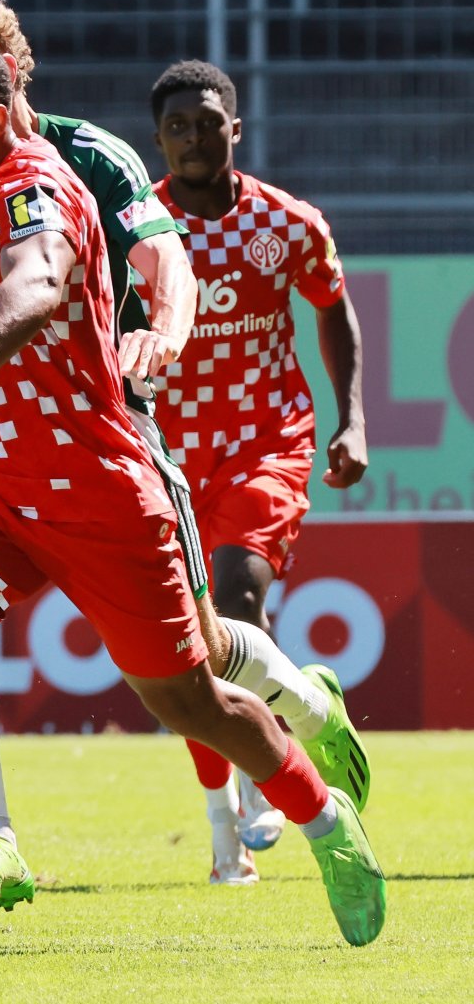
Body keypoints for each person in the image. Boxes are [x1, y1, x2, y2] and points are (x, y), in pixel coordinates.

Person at [0, 35, 385, 948]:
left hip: (97, 485)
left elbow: (39, 278)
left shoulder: (37, 182)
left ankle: (324, 818)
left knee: (188, 699)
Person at [145, 56, 371, 842]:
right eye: (177, 126)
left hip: (265, 439)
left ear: (235, 128)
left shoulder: (289, 223)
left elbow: (333, 309)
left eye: (209, 121)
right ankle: (222, 817)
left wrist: (352, 418)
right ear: (159, 140)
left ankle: (270, 779)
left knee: (237, 596)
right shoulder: (135, 230)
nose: (194, 137)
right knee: (185, 646)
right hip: (166, 457)